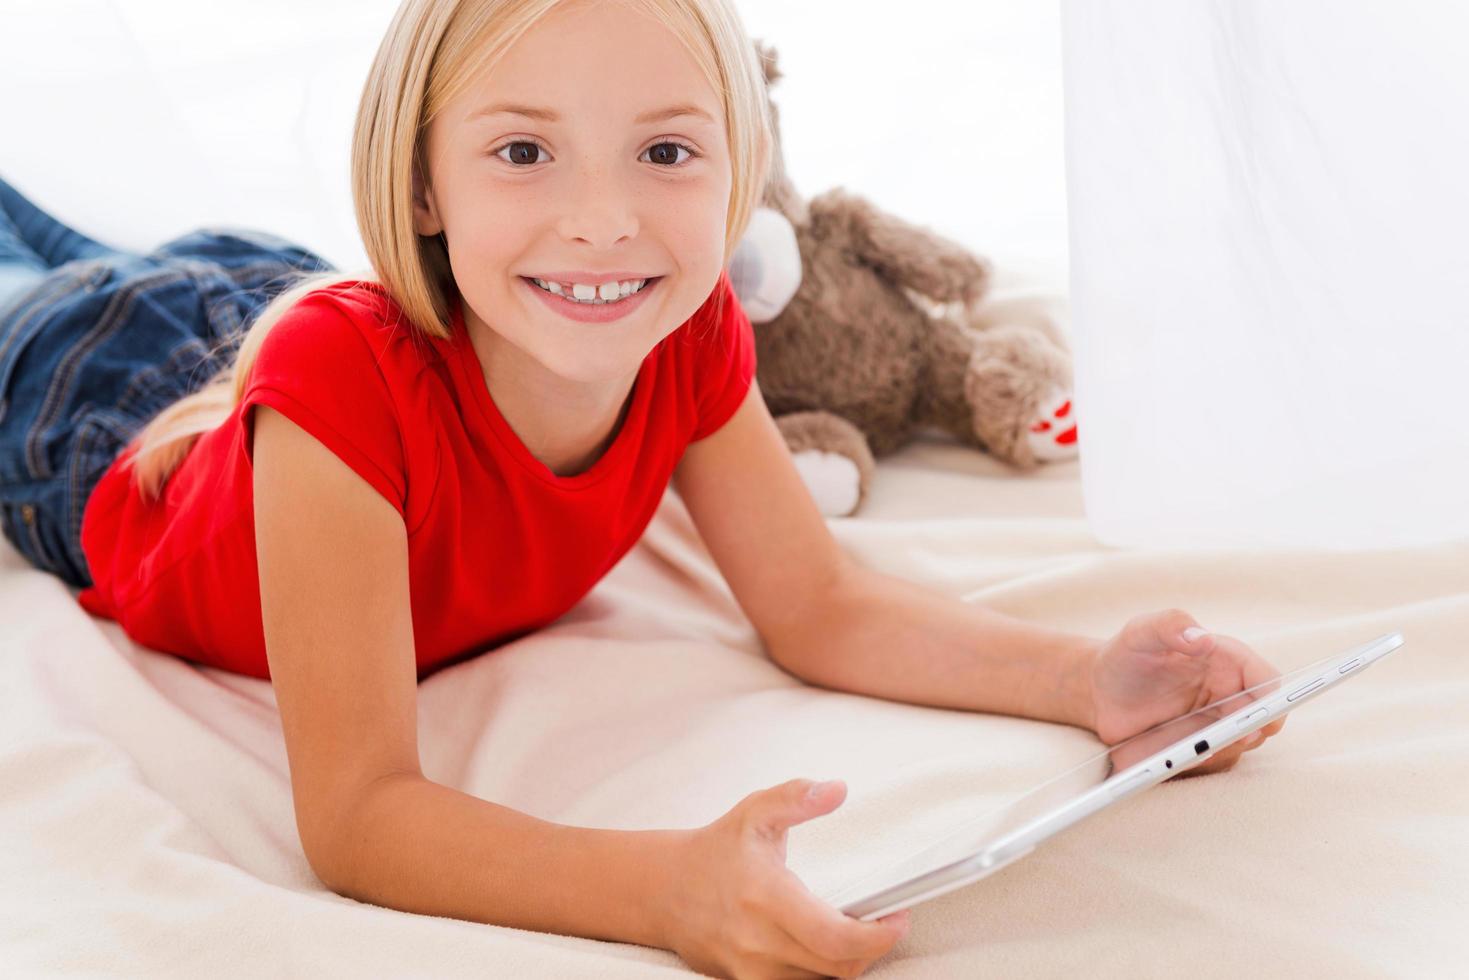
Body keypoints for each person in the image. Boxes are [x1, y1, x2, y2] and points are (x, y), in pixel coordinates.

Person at [0, 1, 1287, 976]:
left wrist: (1084, 680)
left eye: (665, 151)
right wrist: (664, 890)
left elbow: (820, 604)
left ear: (740, 172)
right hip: (94, 404)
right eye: (522, 151)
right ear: (420, 187)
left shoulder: (688, 333)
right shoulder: (337, 376)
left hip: (245, 297)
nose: (605, 221)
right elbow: (358, 814)